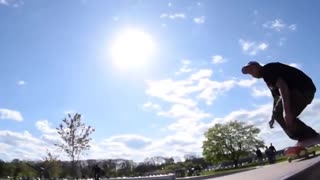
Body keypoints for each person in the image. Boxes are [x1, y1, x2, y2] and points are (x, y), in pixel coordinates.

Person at [241, 61, 319, 147]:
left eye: (252, 69)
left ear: (258, 66)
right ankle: (307, 135)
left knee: (283, 115)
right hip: (305, 90)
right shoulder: (268, 79)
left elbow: (283, 86)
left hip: (301, 88)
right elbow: (276, 98)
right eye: (250, 73)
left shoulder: (267, 70)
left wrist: (286, 111)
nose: (252, 73)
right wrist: (273, 117)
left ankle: (308, 135)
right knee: (280, 115)